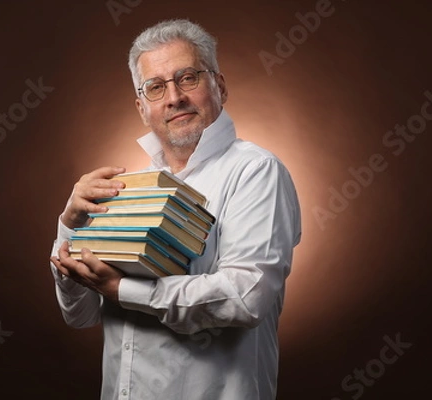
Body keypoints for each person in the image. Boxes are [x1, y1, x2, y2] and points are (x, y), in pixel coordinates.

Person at [50, 19, 302, 400]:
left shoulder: (256, 170)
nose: (174, 98)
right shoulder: (126, 190)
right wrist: (69, 226)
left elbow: (245, 297)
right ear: (141, 107)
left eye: (187, 78)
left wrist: (122, 290)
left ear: (219, 86)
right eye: (156, 87)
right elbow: (80, 314)